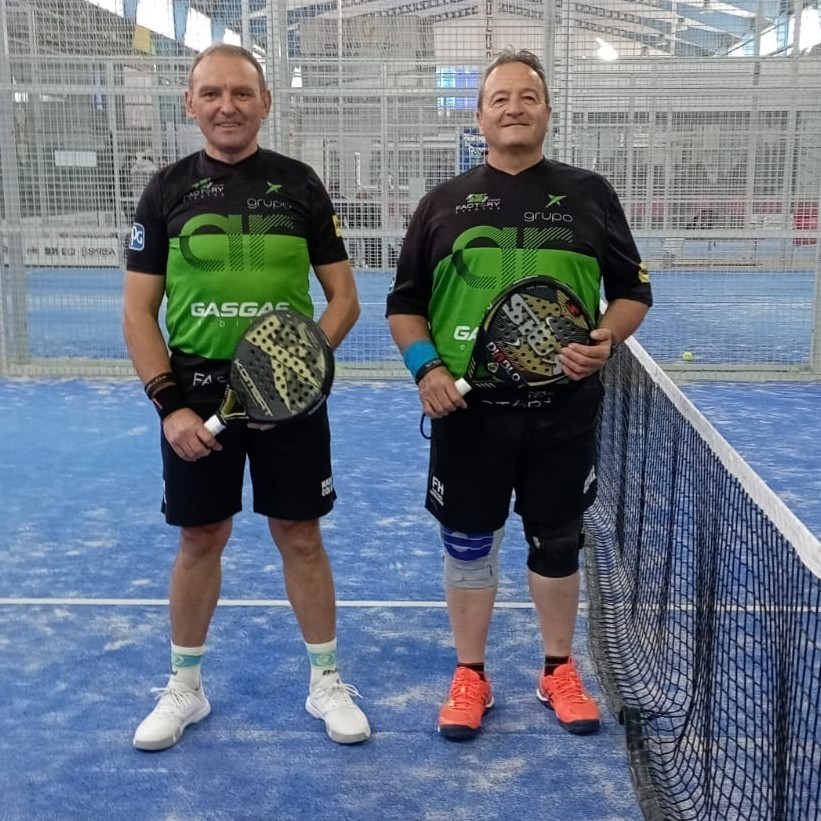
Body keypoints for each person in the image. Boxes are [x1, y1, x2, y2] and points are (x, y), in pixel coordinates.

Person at [386, 49, 652, 740]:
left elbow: (633, 291)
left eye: (527, 96)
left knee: (557, 543)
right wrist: (426, 370)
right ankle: (470, 674)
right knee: (468, 544)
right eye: (499, 98)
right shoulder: (441, 204)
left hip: (564, 414)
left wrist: (606, 339)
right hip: (468, 417)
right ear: (479, 117)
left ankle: (558, 669)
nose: (513, 107)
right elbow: (404, 305)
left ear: (547, 112)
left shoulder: (590, 194)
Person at [123, 43, 370, 751]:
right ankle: (185, 688)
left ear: (265, 102)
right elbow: (138, 311)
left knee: (300, 533)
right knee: (199, 537)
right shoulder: (166, 191)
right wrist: (170, 406)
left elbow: (344, 299)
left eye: (241, 93)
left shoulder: (300, 185)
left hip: (290, 396)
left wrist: (299, 369)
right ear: (189, 104)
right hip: (196, 391)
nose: (226, 106)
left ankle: (326, 681)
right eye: (211, 93)